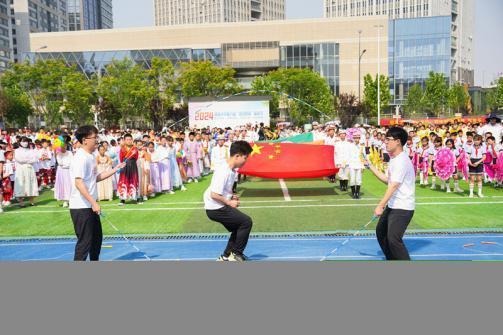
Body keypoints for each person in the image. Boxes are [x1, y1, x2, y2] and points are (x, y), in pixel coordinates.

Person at [69, 125, 125, 261]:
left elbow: (95, 178)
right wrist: (93, 202)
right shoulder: (80, 158)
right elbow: (79, 183)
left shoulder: (90, 156)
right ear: (84, 140)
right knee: (84, 243)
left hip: (90, 206)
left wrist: (115, 169)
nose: (97, 140)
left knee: (96, 241)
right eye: (94, 137)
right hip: (81, 207)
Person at [366, 127, 416, 261]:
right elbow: (388, 181)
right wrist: (370, 166)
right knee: (381, 232)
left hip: (403, 207)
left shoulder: (401, 160)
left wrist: (380, 206)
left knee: (394, 240)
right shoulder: (394, 160)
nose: (385, 142)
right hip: (394, 205)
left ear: (398, 141)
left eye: (388, 139)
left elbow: (394, 185)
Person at [204, 141, 253, 262]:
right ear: (237, 156)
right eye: (245, 158)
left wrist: (232, 196)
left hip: (217, 205)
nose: (246, 161)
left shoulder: (232, 170)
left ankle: (225, 256)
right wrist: (229, 202)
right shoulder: (224, 171)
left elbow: (224, 190)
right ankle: (236, 254)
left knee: (239, 226)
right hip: (215, 208)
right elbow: (214, 194)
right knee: (246, 222)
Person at [14, 137, 39, 207]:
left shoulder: (31, 150)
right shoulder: (17, 151)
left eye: (26, 141)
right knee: (21, 184)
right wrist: (28, 160)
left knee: (31, 183)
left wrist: (26, 160)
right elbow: (19, 160)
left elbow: (34, 159)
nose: (25, 143)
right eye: (23, 141)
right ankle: (21, 202)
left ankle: (31, 201)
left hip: (30, 168)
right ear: (20, 142)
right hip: (20, 169)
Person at [117, 134, 140, 205]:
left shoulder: (135, 149)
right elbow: (121, 159)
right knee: (123, 181)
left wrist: (131, 163)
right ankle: (122, 200)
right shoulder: (122, 149)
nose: (129, 141)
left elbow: (136, 158)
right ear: (124, 140)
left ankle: (135, 198)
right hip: (124, 166)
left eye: (130, 139)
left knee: (134, 181)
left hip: (133, 166)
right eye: (127, 139)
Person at [54, 140, 73, 207]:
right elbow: (60, 163)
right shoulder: (58, 154)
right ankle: (65, 201)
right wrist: (66, 165)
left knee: (69, 185)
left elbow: (71, 162)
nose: (63, 147)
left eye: (64, 146)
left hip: (68, 171)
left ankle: (70, 199)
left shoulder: (70, 153)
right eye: (62, 146)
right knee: (62, 185)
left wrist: (66, 165)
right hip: (61, 172)